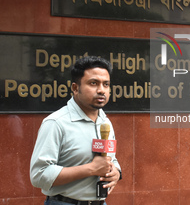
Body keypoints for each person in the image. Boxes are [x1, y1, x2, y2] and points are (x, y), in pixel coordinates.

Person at [30, 56, 121, 205]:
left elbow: (110, 159)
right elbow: (39, 175)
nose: (101, 90)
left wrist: (116, 172)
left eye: (106, 84)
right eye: (93, 83)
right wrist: (91, 169)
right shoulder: (56, 123)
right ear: (75, 88)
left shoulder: (105, 122)